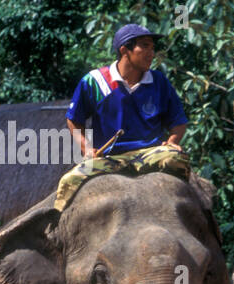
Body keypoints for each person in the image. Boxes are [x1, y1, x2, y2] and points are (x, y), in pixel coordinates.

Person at [59, 24, 190, 210]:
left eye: (152, 47)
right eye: (144, 46)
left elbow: (178, 122)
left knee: (175, 158)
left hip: (150, 154)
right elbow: (74, 119)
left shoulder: (159, 81)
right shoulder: (94, 81)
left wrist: (172, 141)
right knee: (69, 182)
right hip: (108, 157)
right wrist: (86, 148)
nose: (151, 52)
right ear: (124, 50)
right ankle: (53, 232)